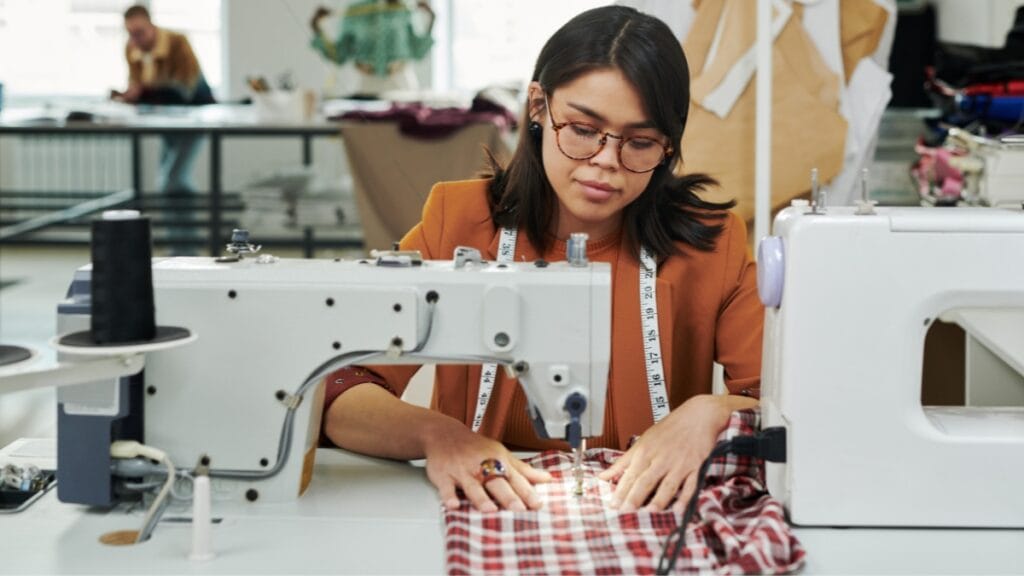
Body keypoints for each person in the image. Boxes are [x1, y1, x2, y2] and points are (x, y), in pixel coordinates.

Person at [320, 5, 763, 514]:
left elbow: (779, 407)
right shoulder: (458, 223)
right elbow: (341, 386)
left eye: (639, 142)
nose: (605, 161)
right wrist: (439, 436)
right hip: (483, 508)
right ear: (538, 107)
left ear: (669, 146)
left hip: (649, 515)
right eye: (581, 129)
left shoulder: (710, 245)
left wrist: (711, 412)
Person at [112, 4, 214, 253]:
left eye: (140, 32)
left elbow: (185, 88)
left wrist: (144, 92)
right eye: (131, 33)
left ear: (151, 25)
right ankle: (180, 245)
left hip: (193, 119)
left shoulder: (178, 43)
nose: (136, 39)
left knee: (173, 180)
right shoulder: (132, 48)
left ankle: (187, 248)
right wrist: (131, 94)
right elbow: (137, 85)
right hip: (165, 122)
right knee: (169, 183)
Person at [309, 0, 435, 96]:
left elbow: (418, 52)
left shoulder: (402, 9)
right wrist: (317, 27)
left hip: (400, 82)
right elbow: (339, 56)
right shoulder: (354, 11)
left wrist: (431, 19)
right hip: (366, 83)